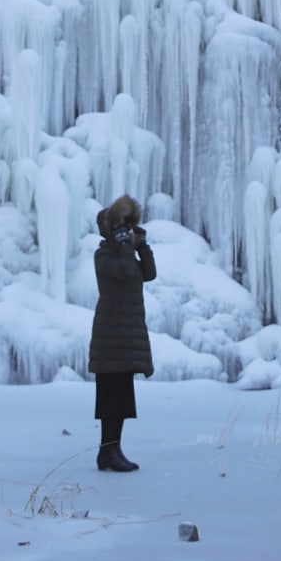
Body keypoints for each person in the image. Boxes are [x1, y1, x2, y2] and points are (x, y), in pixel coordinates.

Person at [88, 193, 156, 472]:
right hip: (110, 338)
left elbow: (148, 273)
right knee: (110, 400)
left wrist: (143, 246)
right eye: (122, 228)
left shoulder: (125, 254)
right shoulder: (104, 255)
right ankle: (106, 452)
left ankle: (115, 449)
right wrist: (127, 247)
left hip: (127, 338)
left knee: (123, 399)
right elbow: (126, 272)